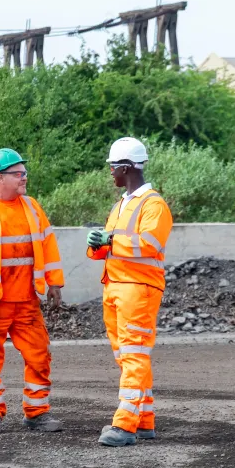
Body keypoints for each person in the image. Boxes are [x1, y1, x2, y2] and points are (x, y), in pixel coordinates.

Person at [0, 148, 65, 435]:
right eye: (18, 174)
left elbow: (48, 245)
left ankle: (37, 413)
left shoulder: (32, 207)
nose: (24, 178)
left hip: (27, 301)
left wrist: (54, 282)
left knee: (39, 356)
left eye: (24, 173)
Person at [86, 137, 173, 447]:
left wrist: (109, 240)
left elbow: (149, 244)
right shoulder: (121, 205)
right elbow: (110, 248)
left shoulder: (154, 204)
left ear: (125, 167)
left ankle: (124, 424)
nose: (110, 173)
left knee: (134, 354)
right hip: (116, 286)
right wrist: (97, 245)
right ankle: (144, 419)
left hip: (139, 288)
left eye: (113, 167)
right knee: (128, 357)